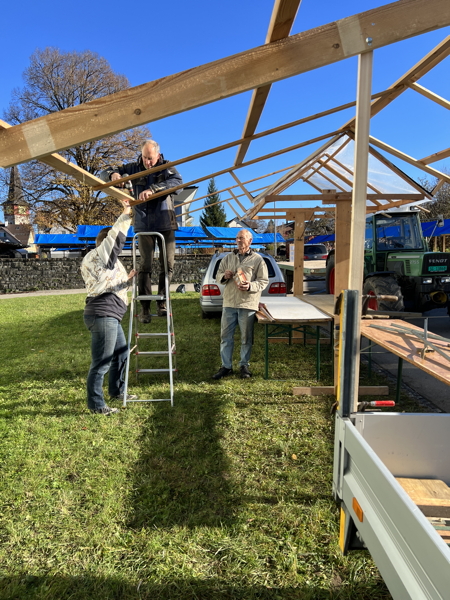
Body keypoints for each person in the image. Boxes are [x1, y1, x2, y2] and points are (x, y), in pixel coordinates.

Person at [100, 140, 183, 323]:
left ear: (158, 156)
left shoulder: (167, 168)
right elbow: (104, 173)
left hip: (165, 223)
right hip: (143, 224)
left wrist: (153, 189)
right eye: (145, 158)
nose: (148, 162)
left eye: (151, 158)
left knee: (167, 265)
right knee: (145, 266)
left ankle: (162, 302)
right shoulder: (132, 167)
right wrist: (113, 174)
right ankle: (145, 308)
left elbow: (178, 183)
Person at [80, 199, 138, 415]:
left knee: (122, 353)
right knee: (102, 362)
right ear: (106, 242)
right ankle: (96, 405)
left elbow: (107, 284)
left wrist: (128, 279)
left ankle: (117, 391)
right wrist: (126, 214)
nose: (119, 247)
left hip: (110, 314)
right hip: (102, 313)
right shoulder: (101, 255)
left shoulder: (106, 261)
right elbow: (114, 237)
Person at [212, 229, 269, 380]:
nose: (238, 241)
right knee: (225, 336)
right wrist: (225, 276)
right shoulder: (228, 258)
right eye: (237, 238)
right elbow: (218, 276)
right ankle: (226, 366)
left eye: (242, 238)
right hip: (229, 303)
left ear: (250, 241)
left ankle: (244, 365)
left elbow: (263, 281)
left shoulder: (258, 260)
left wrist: (250, 286)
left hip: (247, 304)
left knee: (246, 337)